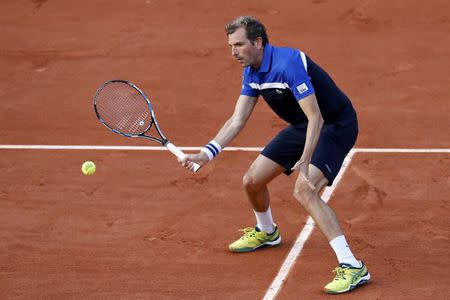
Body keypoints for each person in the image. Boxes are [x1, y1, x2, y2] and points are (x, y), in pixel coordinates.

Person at [180, 16, 370, 294]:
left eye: (239, 45)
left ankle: (353, 267)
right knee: (252, 181)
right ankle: (267, 232)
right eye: (230, 46)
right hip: (303, 126)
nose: (233, 52)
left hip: (334, 125)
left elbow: (316, 117)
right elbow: (237, 119)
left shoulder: (287, 64)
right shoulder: (251, 71)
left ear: (258, 42)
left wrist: (306, 160)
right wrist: (206, 154)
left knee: (304, 191)